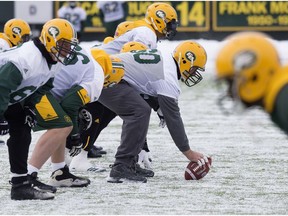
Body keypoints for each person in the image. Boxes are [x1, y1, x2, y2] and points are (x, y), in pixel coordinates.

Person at [79, 2, 179, 170]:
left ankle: (129, 157)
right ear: (159, 20)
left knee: (124, 110)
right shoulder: (146, 34)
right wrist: (157, 104)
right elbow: (135, 71)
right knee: (120, 111)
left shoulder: (147, 34)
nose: (172, 28)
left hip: (104, 73)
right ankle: (74, 160)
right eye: (170, 23)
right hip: (97, 72)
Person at [96, 40, 210, 183]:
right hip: (107, 76)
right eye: (194, 69)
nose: (194, 74)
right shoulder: (168, 75)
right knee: (139, 111)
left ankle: (129, 163)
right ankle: (121, 167)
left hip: (107, 73)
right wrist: (188, 152)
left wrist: (158, 106)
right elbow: (173, 118)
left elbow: (144, 86)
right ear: (186, 60)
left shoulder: (165, 60)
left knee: (140, 109)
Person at [0, 18, 78, 200]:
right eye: (63, 45)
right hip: (2, 91)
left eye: (69, 46)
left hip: (8, 96)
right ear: (50, 40)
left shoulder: (54, 60)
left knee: (22, 131)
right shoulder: (28, 58)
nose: (67, 51)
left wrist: (29, 106)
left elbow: (42, 86)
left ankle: (20, 186)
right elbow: (2, 85)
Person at [215, 32, 288, 136]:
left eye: (231, 82)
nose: (229, 92)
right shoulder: (278, 95)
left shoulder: (284, 99)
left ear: (254, 76)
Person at [0, 18, 32, 145]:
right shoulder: (3, 44)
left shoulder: (8, 44)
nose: (25, 40)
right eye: (24, 37)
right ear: (14, 33)